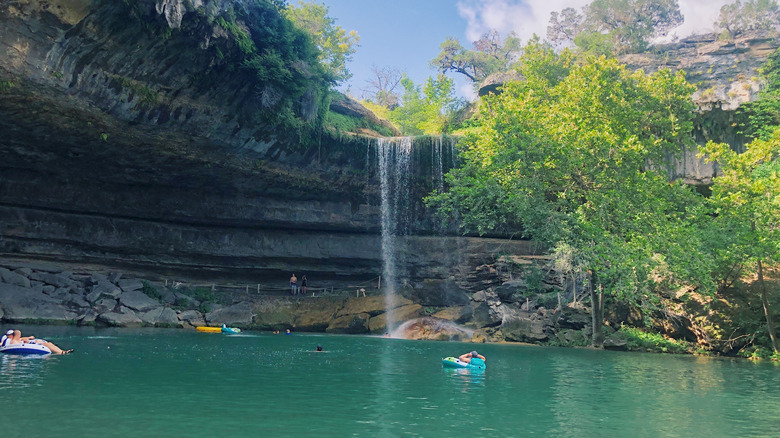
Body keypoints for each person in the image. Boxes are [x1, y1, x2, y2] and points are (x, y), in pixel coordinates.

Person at [8, 329, 72, 355]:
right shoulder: (12, 341)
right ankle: (62, 352)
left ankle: (60, 351)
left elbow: (22, 339)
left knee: (48, 343)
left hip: (29, 346)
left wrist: (29, 338)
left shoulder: (17, 340)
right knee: (47, 344)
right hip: (26, 347)